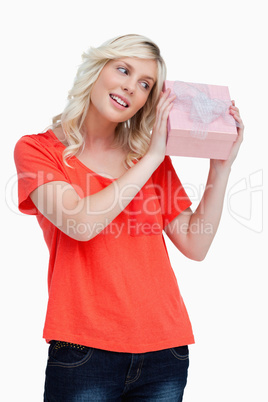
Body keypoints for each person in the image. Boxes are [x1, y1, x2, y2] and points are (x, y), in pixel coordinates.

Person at [14, 34, 243, 401]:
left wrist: (221, 169)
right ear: (97, 69)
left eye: (145, 85)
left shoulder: (147, 157)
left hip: (165, 349)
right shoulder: (38, 150)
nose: (130, 88)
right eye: (123, 69)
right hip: (83, 350)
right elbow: (81, 223)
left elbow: (195, 243)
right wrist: (153, 156)